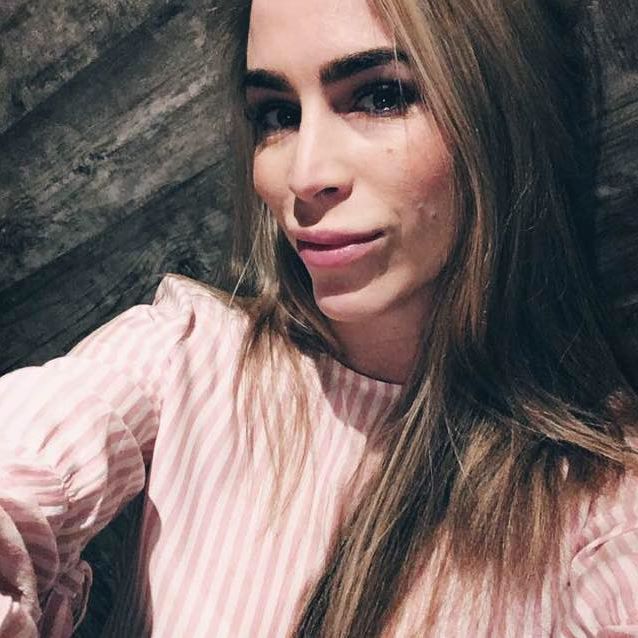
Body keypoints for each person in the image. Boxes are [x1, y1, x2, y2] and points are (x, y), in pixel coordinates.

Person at [1, 0, 637, 636]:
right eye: (278, 115)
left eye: (382, 96)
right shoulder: (182, 356)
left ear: (505, 118)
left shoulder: (602, 502)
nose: (304, 175)